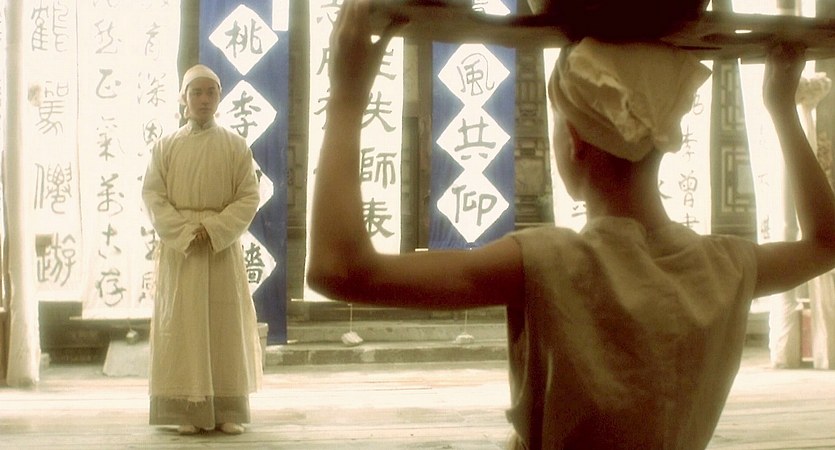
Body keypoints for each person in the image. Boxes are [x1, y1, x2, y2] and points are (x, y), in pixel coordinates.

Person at [141, 63, 262, 436]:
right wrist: (183, 232)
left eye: (211, 92)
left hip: (219, 249)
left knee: (224, 327)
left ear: (220, 97)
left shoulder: (235, 146)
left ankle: (227, 408)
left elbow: (248, 196)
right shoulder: (165, 146)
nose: (204, 99)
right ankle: (187, 408)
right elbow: (153, 196)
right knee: (183, 328)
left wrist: (213, 229)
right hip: (182, 251)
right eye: (196, 92)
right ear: (183, 98)